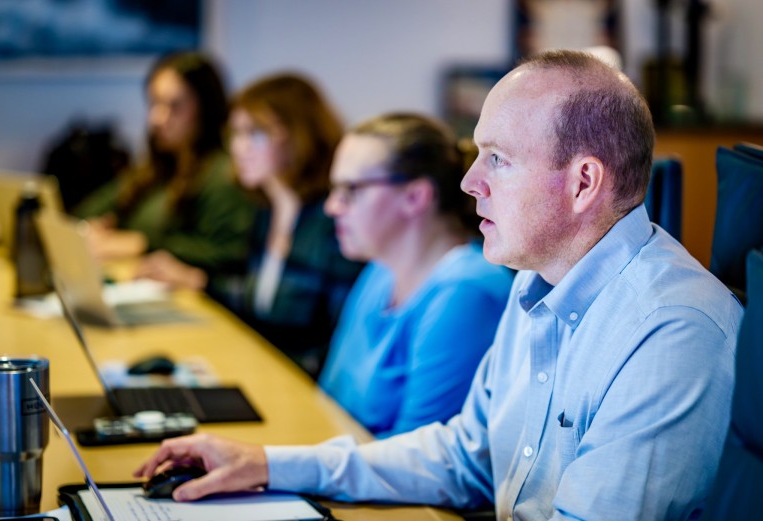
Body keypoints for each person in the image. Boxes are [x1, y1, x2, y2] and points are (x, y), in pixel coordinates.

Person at [134, 50, 743, 520]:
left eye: (498, 159)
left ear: (584, 183)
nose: (470, 181)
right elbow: (464, 456)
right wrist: (265, 463)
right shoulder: (535, 284)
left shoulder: (672, 330)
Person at [136, 73, 363, 377]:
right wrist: (198, 281)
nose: (239, 148)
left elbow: (336, 345)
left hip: (302, 391)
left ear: (299, 134)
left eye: (254, 133)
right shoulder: (266, 211)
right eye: (236, 134)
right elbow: (264, 312)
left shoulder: (333, 223)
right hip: (267, 376)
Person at [318, 113, 513, 437]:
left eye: (350, 189)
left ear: (415, 196)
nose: (332, 206)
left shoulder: (466, 293)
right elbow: (326, 401)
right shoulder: (380, 270)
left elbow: (414, 468)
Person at [74, 51, 255, 272]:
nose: (157, 119)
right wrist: (91, 228)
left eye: (174, 105)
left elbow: (227, 253)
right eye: (153, 103)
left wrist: (143, 244)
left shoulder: (223, 175)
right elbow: (87, 212)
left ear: (206, 107)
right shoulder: (155, 170)